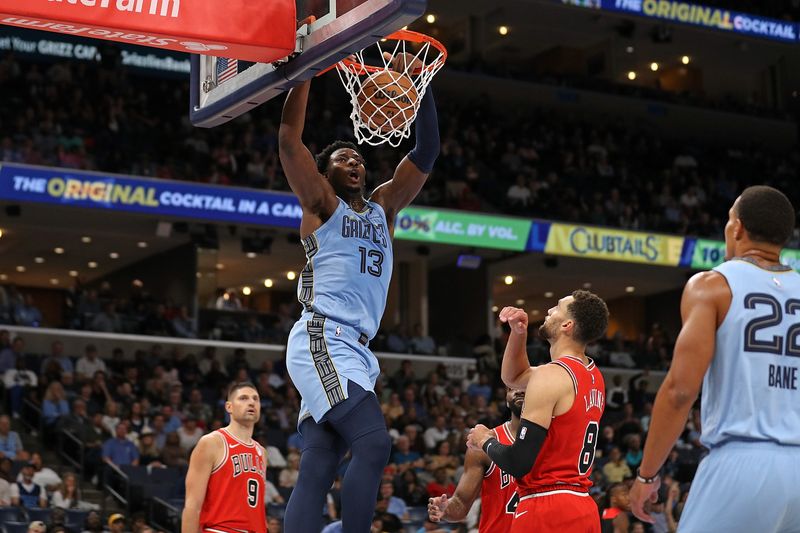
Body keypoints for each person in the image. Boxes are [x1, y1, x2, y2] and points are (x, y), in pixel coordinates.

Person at [279, 50, 440, 532]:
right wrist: (304, 72)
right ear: (326, 173)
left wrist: (421, 83)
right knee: (372, 444)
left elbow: (426, 151)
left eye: (357, 157)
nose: (354, 161)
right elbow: (289, 141)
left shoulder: (383, 208)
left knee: (321, 464)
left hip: (354, 349)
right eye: (341, 158)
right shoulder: (322, 206)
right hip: (322, 337)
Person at [630, 186, 800, 531]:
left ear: (736, 227)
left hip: (743, 462)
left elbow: (680, 391)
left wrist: (647, 475)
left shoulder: (712, 285)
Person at [467, 291, 609, 532]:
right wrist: (518, 334)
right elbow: (513, 377)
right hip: (582, 506)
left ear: (567, 325)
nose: (549, 311)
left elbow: (518, 462)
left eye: (556, 308)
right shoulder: (593, 375)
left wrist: (485, 441)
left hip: (547, 507)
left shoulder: (551, 375)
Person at [428, 388, 524, 532]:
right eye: (512, 387)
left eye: (526, 386)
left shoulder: (555, 442)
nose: (519, 391)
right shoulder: (483, 441)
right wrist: (446, 508)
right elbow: (460, 504)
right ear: (506, 397)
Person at [181, 382, 267, 533]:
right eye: (243, 398)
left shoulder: (261, 452)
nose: (251, 402)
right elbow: (192, 505)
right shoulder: (212, 442)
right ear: (229, 407)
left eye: (256, 399)